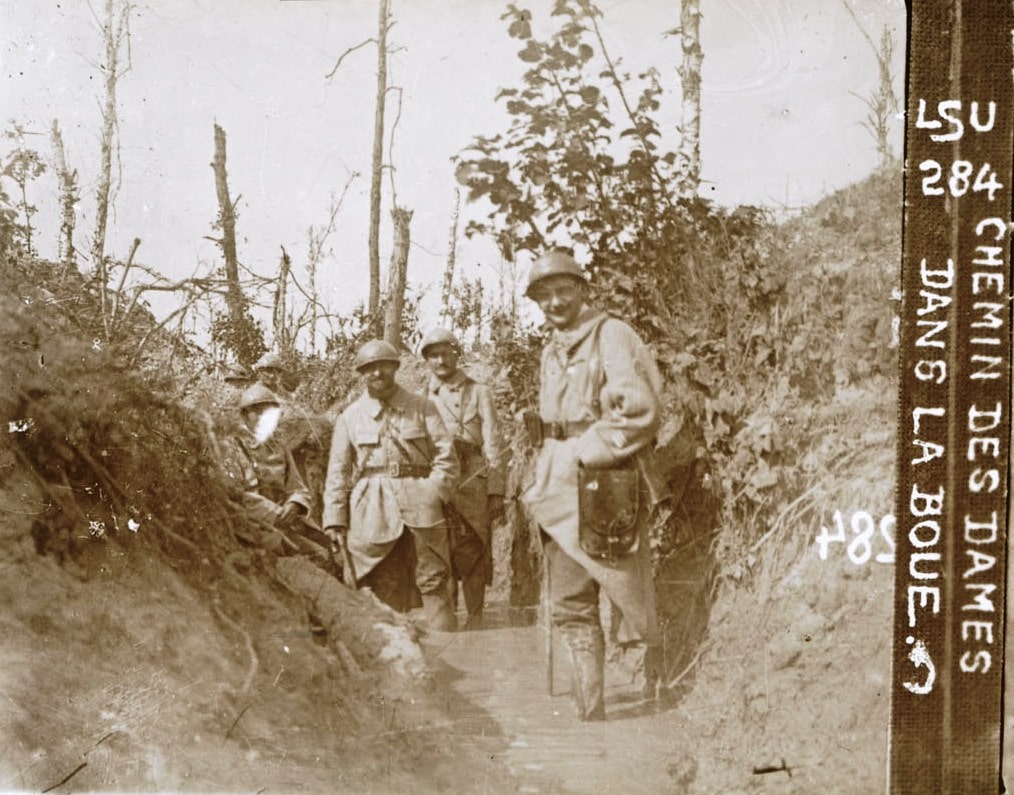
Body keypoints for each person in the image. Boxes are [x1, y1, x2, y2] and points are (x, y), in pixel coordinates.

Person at [521, 250, 668, 721]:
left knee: (625, 591)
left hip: (606, 480)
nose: (555, 302)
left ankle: (655, 686)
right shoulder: (551, 349)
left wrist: (585, 451)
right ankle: (592, 714)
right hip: (558, 481)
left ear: (584, 290)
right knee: (569, 598)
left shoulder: (612, 335)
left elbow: (641, 411)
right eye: (545, 295)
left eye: (564, 290)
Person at [322, 339, 460, 630]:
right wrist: (334, 519)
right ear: (361, 373)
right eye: (369, 368)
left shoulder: (423, 407)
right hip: (371, 508)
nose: (377, 373)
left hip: (422, 504)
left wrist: (433, 492)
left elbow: (446, 457)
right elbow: (338, 471)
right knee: (382, 582)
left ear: (395, 367)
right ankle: (396, 660)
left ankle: (445, 649)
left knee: (433, 580)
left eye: (383, 365)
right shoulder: (349, 417)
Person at [420, 327, 506, 630]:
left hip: (473, 476)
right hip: (439, 478)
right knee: (441, 549)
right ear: (427, 361)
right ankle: (446, 623)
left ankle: (477, 621)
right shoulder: (423, 397)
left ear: (457, 353)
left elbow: (493, 440)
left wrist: (496, 490)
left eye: (446, 352)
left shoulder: (478, 391)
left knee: (472, 547)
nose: (441, 360)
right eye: (433, 355)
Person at [225, 383, 314, 553]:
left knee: (332, 550)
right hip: (253, 527)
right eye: (257, 412)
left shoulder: (279, 445)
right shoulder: (232, 446)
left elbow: (297, 487)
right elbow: (236, 495)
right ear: (244, 415)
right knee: (312, 559)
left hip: (287, 521)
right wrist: (276, 514)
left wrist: (295, 505)